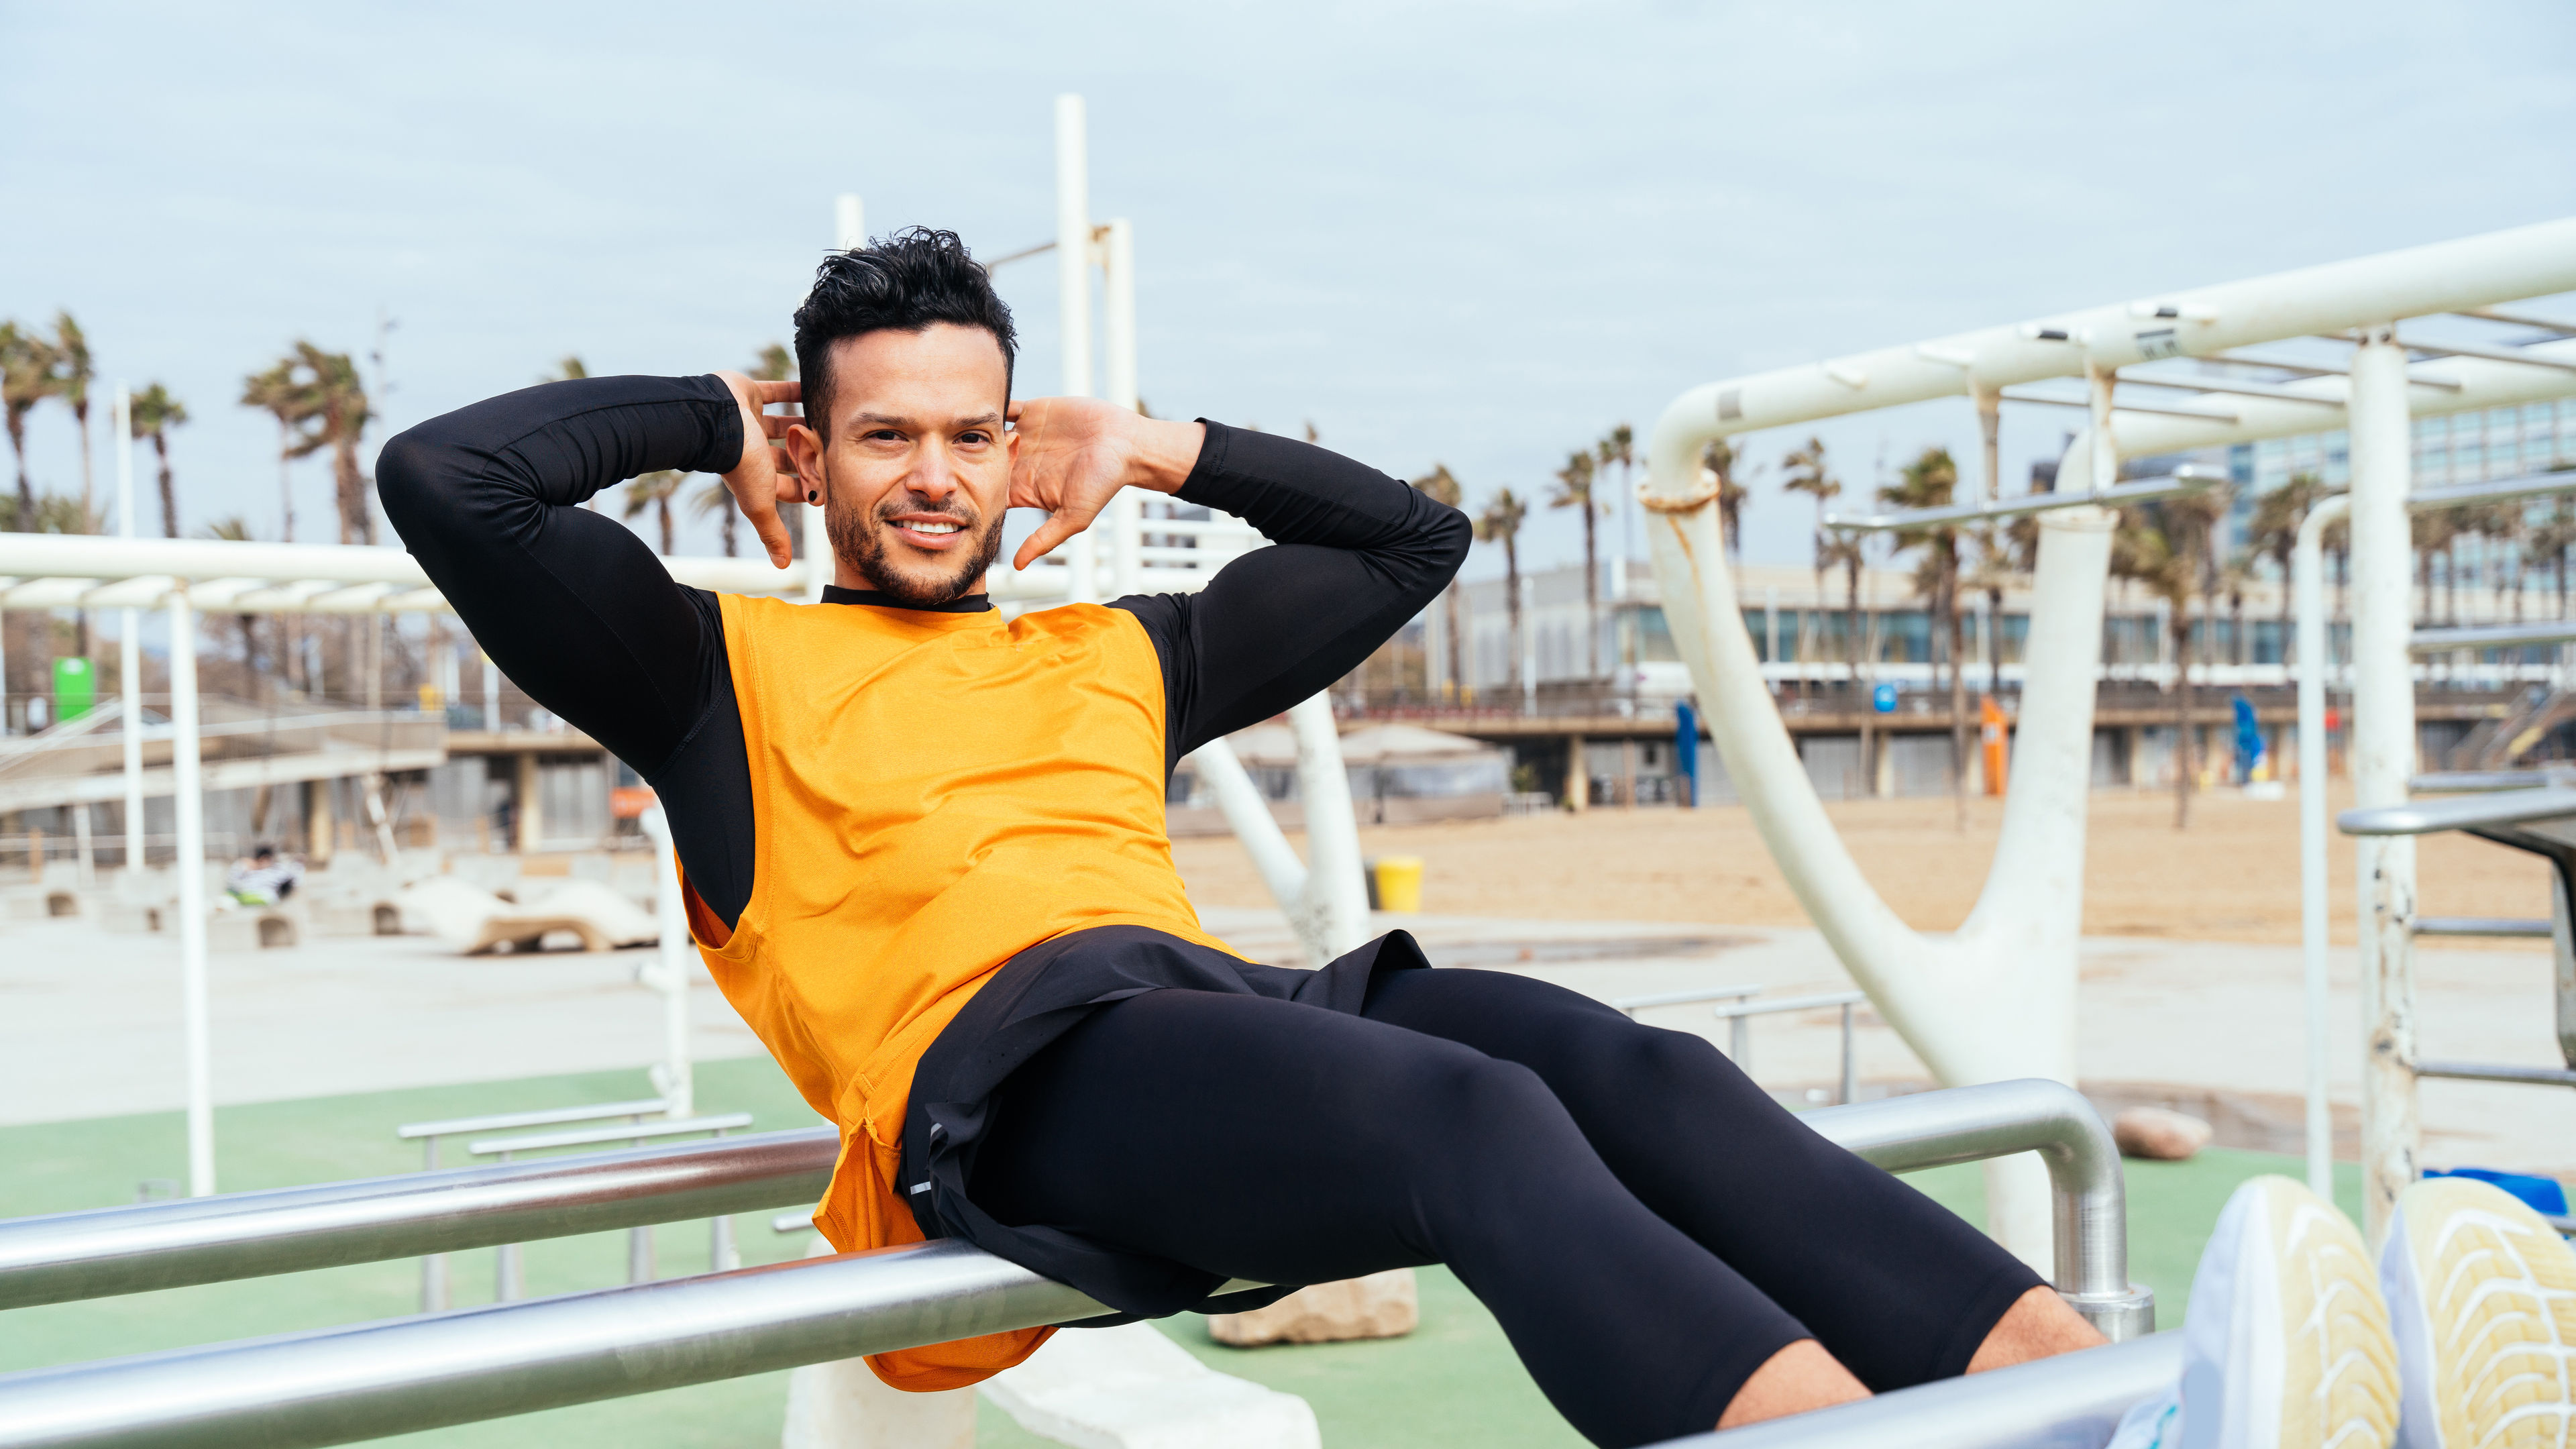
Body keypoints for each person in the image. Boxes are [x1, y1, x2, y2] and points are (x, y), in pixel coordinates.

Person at [378, 227, 2099, 1448]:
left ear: (1011, 448)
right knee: (1473, 1111)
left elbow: (1410, 544)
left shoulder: (1111, 648)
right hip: (1001, 1087)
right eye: (881, 435)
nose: (930, 474)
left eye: (968, 433)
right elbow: (449, 481)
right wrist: (707, 414)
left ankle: (2076, 1390)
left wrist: (1154, 442)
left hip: (1207, 1017)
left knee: (1639, 1073)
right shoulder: (705, 666)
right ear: (813, 455)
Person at [224, 843, 303, 906]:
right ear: (264, 859)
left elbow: (294, 880)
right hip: (241, 894)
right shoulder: (243, 866)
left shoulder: (274, 870)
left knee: (270, 897)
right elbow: (232, 885)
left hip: (260, 895)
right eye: (269, 860)